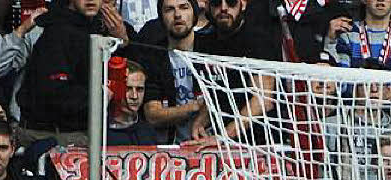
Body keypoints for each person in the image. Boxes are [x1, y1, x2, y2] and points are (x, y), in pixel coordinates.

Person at [16, 0, 132, 144]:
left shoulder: (103, 28)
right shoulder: (56, 31)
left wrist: (121, 41)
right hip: (50, 134)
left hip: (86, 129)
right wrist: (99, 95)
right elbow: (54, 95)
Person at [189, 0, 282, 142]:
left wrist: (223, 137)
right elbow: (217, 93)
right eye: (216, 3)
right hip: (226, 140)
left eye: (231, 2)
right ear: (208, 6)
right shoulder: (207, 42)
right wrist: (200, 122)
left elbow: (263, 100)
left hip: (263, 141)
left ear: (243, 4)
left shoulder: (259, 39)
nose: (224, 8)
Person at [139, 0, 204, 144]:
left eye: (184, 7)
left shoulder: (212, 49)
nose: (177, 15)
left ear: (195, 14)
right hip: (169, 148)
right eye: (169, 9)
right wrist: (195, 106)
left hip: (211, 142)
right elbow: (153, 114)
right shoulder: (153, 56)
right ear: (161, 18)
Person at [325, 0, 391, 69]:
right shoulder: (348, 34)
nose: (381, 0)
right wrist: (330, 41)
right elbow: (342, 81)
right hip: (359, 97)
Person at [107, 60, 159, 146]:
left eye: (140, 89)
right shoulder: (98, 132)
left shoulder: (148, 131)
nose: (134, 96)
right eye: (128, 89)